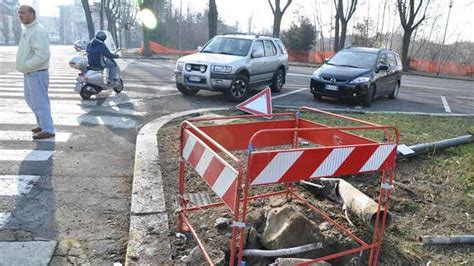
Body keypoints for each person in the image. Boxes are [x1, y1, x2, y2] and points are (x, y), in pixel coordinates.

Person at [16, 5, 55, 140]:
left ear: (32, 14)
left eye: (23, 13)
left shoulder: (37, 31)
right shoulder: (28, 30)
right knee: (32, 100)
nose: (20, 15)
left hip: (37, 72)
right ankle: (42, 124)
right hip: (30, 73)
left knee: (40, 102)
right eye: (19, 13)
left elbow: (42, 55)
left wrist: (26, 65)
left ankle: (48, 129)